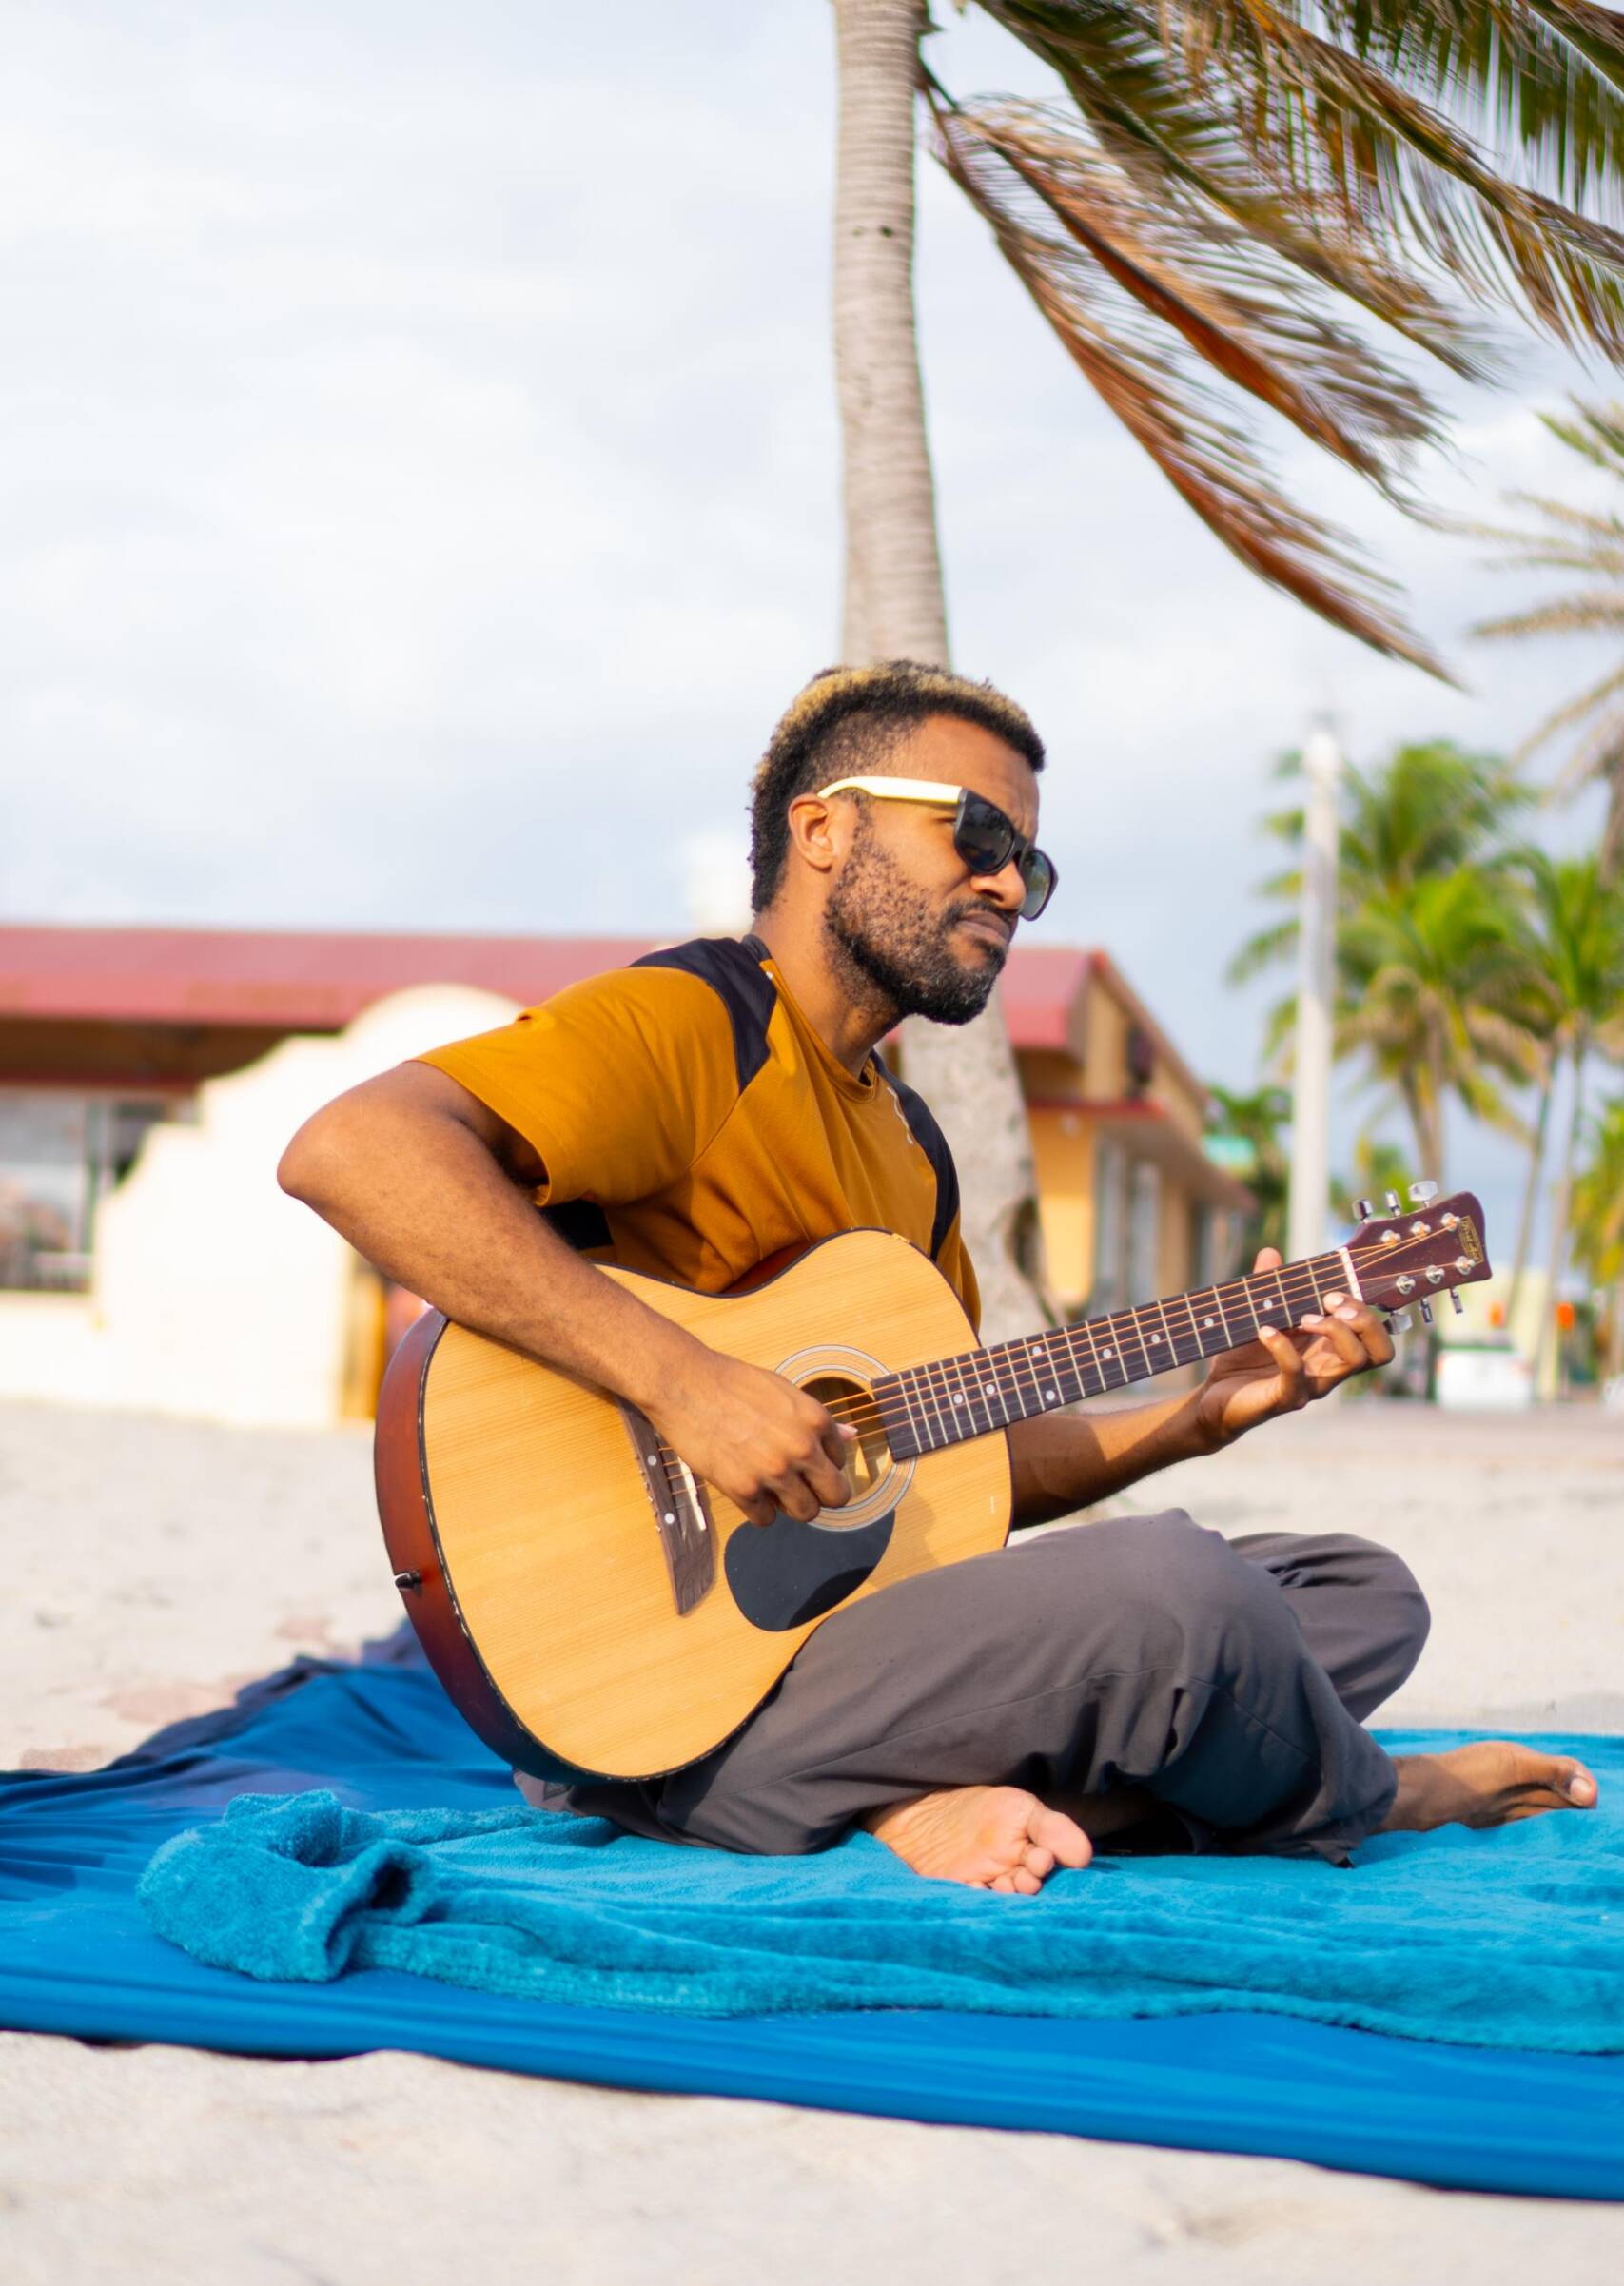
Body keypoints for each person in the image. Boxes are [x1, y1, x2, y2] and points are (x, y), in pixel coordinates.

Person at [278, 661, 1596, 1892]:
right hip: (653, 1702)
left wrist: (1198, 1416)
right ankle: (1373, 1799)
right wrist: (686, 1385)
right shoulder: (693, 1024)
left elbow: (956, 1473)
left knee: (1353, 1592)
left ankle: (911, 1794)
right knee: (1179, 1598)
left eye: (1031, 860)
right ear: (825, 832)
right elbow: (355, 1153)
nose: (1010, 886)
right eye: (975, 835)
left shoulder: (911, 1150)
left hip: (843, 1658)